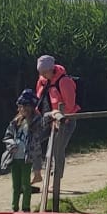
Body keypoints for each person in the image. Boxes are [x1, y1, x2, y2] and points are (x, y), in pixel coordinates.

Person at [29, 54, 79, 201]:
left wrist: (61, 119)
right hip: (47, 117)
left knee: (56, 150)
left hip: (65, 120)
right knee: (32, 140)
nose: (42, 75)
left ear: (51, 69)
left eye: (44, 72)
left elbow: (70, 106)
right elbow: (39, 100)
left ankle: (55, 181)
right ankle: (37, 173)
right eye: (40, 72)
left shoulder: (65, 81)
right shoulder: (42, 81)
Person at [0, 90, 38, 212]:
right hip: (15, 158)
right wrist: (11, 144)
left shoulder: (36, 121)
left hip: (26, 159)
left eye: (26, 106)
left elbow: (44, 127)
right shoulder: (15, 122)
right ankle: (14, 207)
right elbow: (7, 136)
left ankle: (26, 207)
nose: (23, 109)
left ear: (32, 106)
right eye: (21, 106)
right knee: (15, 185)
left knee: (26, 185)